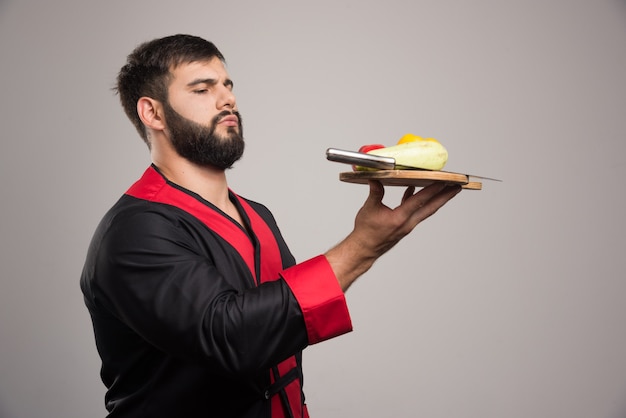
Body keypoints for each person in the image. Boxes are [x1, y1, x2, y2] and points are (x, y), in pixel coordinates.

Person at [80, 34, 461, 418]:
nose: (226, 99)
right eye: (202, 89)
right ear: (154, 113)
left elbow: (280, 329)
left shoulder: (256, 214)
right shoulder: (135, 232)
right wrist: (363, 245)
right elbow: (233, 338)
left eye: (228, 86)